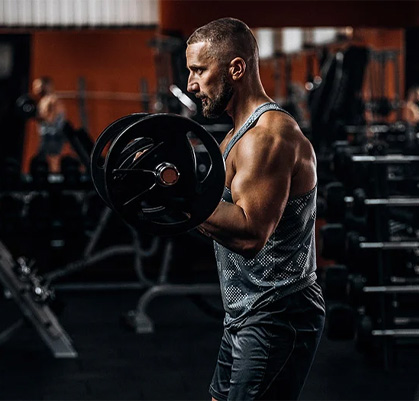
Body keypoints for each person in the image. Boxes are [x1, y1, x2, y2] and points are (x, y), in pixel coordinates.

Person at [186, 18, 325, 401]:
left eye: (199, 70)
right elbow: (211, 213)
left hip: (278, 313)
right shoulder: (236, 135)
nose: (190, 84)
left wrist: (181, 197)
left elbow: (250, 235)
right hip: (246, 313)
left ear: (235, 68)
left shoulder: (268, 137)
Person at [32, 76, 67, 172]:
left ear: (46, 86)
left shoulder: (51, 100)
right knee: (42, 157)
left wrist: (37, 116)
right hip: (47, 134)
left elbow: (51, 119)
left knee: (53, 157)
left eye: (37, 86)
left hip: (53, 134)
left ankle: (55, 180)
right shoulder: (43, 100)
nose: (35, 88)